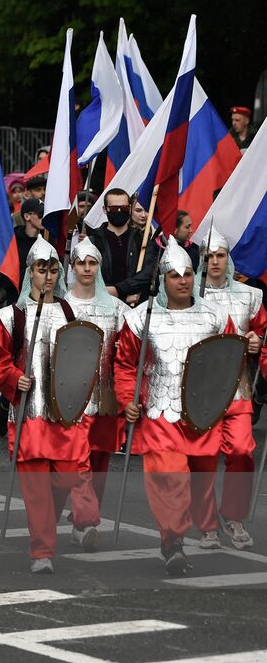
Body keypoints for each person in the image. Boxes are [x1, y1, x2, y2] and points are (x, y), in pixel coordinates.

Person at [115, 237, 233, 575]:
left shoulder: (213, 317)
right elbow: (126, 365)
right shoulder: (141, 319)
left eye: (186, 274)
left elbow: (226, 362)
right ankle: (173, 541)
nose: (182, 280)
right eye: (174, 275)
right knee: (171, 478)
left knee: (199, 481)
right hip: (159, 411)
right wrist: (128, 400)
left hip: (202, 415)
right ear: (162, 280)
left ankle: (178, 532)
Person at [0, 239, 94, 573]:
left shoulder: (70, 312)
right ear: (30, 272)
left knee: (65, 481)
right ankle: (42, 551)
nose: (47, 276)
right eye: (41, 269)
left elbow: (81, 358)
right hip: (30, 414)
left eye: (52, 270)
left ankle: (46, 530)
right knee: (35, 489)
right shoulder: (12, 316)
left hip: (63, 415)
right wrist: (13, 378)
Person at [196, 229, 264, 550]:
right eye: (208, 257)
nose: (214, 262)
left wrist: (257, 341)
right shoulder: (188, 296)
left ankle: (233, 516)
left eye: (220, 256)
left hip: (238, 391)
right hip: (199, 394)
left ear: (228, 257)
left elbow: (263, 335)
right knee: (203, 459)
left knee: (241, 452)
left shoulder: (249, 296)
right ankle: (208, 525)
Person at [64, 238, 129, 536]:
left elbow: (125, 353)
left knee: (100, 458)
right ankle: (85, 517)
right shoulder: (63, 305)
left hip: (106, 394)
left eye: (92, 263)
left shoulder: (116, 308)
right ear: (73, 266)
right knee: (77, 457)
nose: (87, 268)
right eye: (81, 263)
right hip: (71, 395)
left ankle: (84, 515)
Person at [88, 188, 155, 304]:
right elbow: (87, 274)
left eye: (123, 208)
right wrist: (115, 294)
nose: (119, 211)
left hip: (136, 306)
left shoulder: (141, 240)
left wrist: (120, 290)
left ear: (129, 209)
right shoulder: (93, 241)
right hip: (101, 304)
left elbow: (149, 271)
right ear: (105, 210)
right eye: (114, 208)